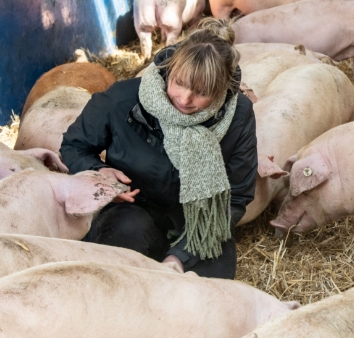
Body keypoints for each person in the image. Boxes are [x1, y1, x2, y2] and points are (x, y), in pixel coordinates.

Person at [60, 18, 257, 279]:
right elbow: (74, 146)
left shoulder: (239, 114)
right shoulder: (122, 99)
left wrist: (180, 257)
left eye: (202, 92)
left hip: (201, 223)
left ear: (222, 89)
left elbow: (236, 197)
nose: (185, 100)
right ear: (169, 69)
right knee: (124, 253)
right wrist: (99, 172)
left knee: (211, 289)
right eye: (179, 83)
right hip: (130, 213)